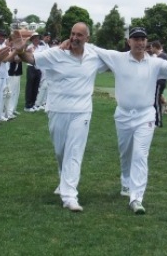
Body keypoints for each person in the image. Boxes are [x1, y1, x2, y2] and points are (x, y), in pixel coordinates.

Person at [87, 27, 167, 214]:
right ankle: (125, 182)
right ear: (129, 41)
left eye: (142, 39)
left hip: (145, 116)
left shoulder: (155, 64)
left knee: (140, 154)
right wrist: (72, 41)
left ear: (146, 42)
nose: (139, 42)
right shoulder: (117, 58)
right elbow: (94, 48)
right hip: (123, 115)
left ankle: (136, 198)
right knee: (126, 153)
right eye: (135, 39)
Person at [14, 22, 108, 212]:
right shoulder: (56, 53)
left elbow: (117, 61)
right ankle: (64, 181)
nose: (74, 38)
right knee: (61, 152)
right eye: (72, 34)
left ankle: (69, 195)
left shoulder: (94, 56)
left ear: (87, 38)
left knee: (74, 152)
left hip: (82, 111)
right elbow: (30, 58)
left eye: (79, 35)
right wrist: (20, 50)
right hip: (57, 109)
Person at [24, 32, 43, 112]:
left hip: (38, 68)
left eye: (38, 38)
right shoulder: (29, 47)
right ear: (32, 39)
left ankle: (33, 103)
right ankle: (28, 105)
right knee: (30, 86)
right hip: (31, 67)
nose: (36, 39)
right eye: (35, 38)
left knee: (36, 87)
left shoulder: (40, 48)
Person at [151, 41, 167, 127]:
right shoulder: (157, 56)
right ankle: (156, 119)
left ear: (155, 47)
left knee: (156, 100)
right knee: (156, 99)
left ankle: (158, 121)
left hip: (160, 80)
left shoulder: (162, 56)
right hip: (157, 80)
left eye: (152, 47)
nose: (151, 49)